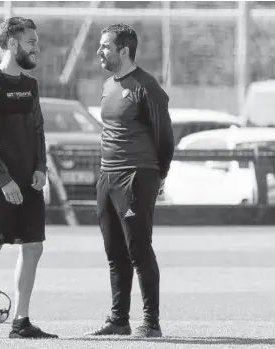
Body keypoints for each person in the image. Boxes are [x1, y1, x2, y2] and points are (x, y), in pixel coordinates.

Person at [0, 17, 58, 340]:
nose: (37, 47)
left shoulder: (30, 85)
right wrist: (4, 179)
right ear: (14, 44)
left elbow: (38, 129)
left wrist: (40, 167)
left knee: (33, 247)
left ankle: (21, 322)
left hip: (29, 182)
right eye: (31, 41)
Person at [88, 23, 175, 338]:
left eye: (105, 46)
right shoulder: (108, 85)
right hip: (107, 177)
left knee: (139, 248)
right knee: (115, 251)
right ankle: (119, 320)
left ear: (123, 50)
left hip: (136, 177)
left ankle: (151, 323)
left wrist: (158, 175)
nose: (100, 51)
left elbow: (165, 138)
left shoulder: (147, 86)